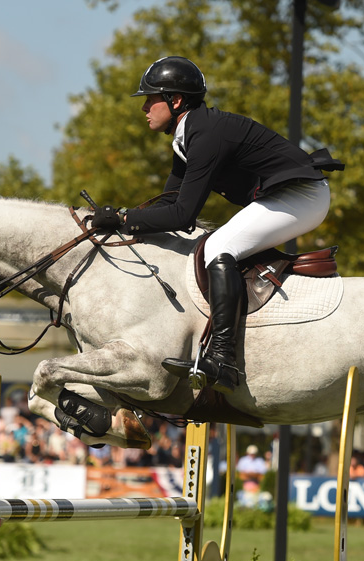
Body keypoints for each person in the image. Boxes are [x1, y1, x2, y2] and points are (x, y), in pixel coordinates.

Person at [91, 56, 343, 395]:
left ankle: (223, 357)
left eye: (150, 99)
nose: (144, 108)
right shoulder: (188, 134)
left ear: (175, 101)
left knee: (218, 247)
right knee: (219, 244)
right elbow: (169, 201)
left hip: (302, 196)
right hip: (287, 196)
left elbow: (183, 216)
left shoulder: (205, 134)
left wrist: (123, 219)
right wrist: (123, 219)